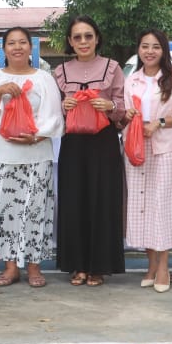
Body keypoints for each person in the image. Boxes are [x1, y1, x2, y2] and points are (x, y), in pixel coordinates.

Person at [0, 26, 64, 288]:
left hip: (35, 155)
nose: (17, 47)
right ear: (4, 49)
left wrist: (36, 136)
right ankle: (10, 266)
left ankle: (34, 266)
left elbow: (54, 117)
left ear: (30, 48)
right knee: (3, 211)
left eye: (22, 42)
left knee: (35, 211)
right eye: (11, 43)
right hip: (2, 155)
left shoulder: (44, 79)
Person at [53, 15, 126, 287]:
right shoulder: (60, 71)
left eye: (88, 36)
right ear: (70, 41)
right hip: (73, 142)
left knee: (102, 200)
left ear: (97, 38)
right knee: (74, 201)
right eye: (77, 37)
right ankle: (78, 264)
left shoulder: (113, 67)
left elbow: (123, 106)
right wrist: (64, 106)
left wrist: (111, 107)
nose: (83, 41)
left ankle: (100, 265)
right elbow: (53, 110)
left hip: (103, 140)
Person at [123, 29, 172, 293]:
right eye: (145, 46)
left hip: (165, 149)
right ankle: (150, 264)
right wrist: (129, 114)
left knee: (162, 206)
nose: (150, 51)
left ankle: (164, 265)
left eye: (155, 46)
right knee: (142, 205)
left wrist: (160, 123)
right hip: (137, 147)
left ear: (163, 50)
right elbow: (124, 115)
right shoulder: (132, 80)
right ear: (139, 49)